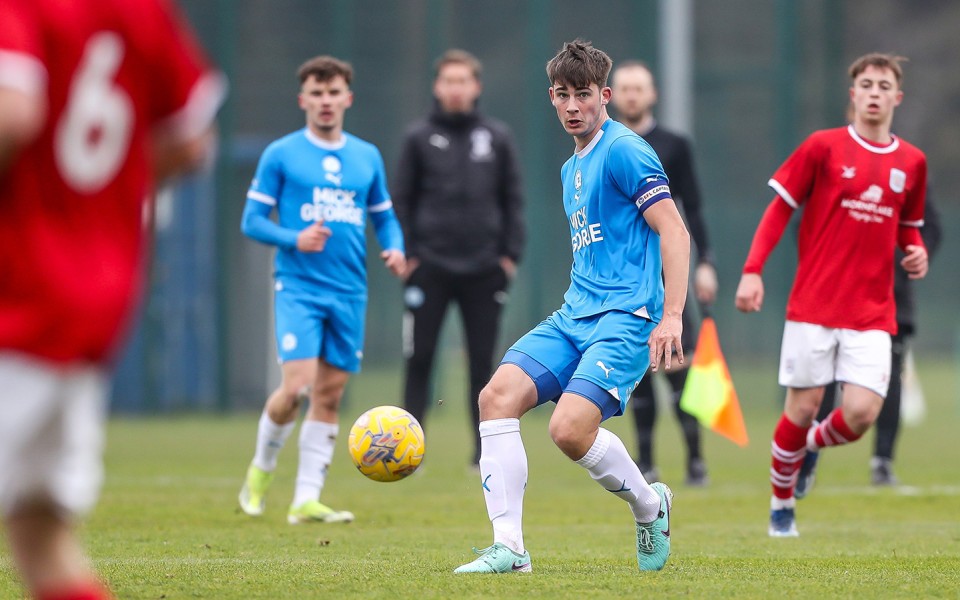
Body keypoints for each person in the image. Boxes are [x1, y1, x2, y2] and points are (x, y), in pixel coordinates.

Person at [0, 0, 225, 598]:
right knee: (40, 531)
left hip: (16, 295)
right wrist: (93, 204)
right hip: (97, 298)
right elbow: (191, 141)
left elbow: (13, 112)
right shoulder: (142, 11)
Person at [454, 39, 690, 574]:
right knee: (495, 398)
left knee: (568, 430)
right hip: (574, 314)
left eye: (583, 94)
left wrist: (672, 315)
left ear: (605, 95)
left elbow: (674, 231)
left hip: (626, 318)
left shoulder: (625, 150)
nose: (572, 106)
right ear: (552, 97)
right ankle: (510, 549)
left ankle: (650, 506)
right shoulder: (570, 169)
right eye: (563, 95)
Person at [734, 53, 928, 537]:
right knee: (801, 408)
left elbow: (909, 226)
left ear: (897, 97)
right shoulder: (822, 146)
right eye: (867, 84)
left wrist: (916, 251)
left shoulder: (913, 162)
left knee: (861, 414)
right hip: (814, 305)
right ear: (854, 94)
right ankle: (781, 507)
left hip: (873, 310)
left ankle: (807, 447)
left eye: (884, 85)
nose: (875, 92)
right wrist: (752, 271)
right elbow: (780, 209)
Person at [237, 56, 406, 525]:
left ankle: (305, 500)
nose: (325, 101)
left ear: (347, 98)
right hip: (299, 286)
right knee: (295, 387)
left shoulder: (366, 156)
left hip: (350, 290)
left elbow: (385, 218)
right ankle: (261, 470)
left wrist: (394, 248)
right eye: (317, 93)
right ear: (303, 100)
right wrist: (295, 238)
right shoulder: (282, 154)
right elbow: (252, 221)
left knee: (329, 396)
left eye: (333, 93)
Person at [392, 49, 525, 468]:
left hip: (484, 270)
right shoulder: (418, 138)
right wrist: (409, 255)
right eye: (448, 81)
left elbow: (513, 200)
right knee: (420, 359)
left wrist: (509, 257)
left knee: (483, 365)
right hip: (428, 268)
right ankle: (408, 452)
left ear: (476, 87)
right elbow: (401, 201)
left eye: (462, 81)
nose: (455, 89)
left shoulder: (497, 137)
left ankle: (483, 454)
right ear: (437, 86)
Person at [610, 60, 717, 486]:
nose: (632, 95)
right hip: (624, 277)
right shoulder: (605, 145)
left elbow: (694, 208)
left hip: (666, 274)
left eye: (639, 88)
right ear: (612, 95)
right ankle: (645, 461)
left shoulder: (674, 145)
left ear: (652, 94)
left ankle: (695, 460)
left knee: (676, 364)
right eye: (625, 88)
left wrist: (705, 263)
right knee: (638, 370)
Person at [815, 188, 941, 486]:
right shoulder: (835, 168)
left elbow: (931, 228)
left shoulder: (908, 173)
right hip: (836, 293)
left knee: (890, 375)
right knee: (822, 377)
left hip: (892, 298)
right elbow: (806, 225)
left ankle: (882, 461)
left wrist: (909, 259)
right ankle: (809, 454)